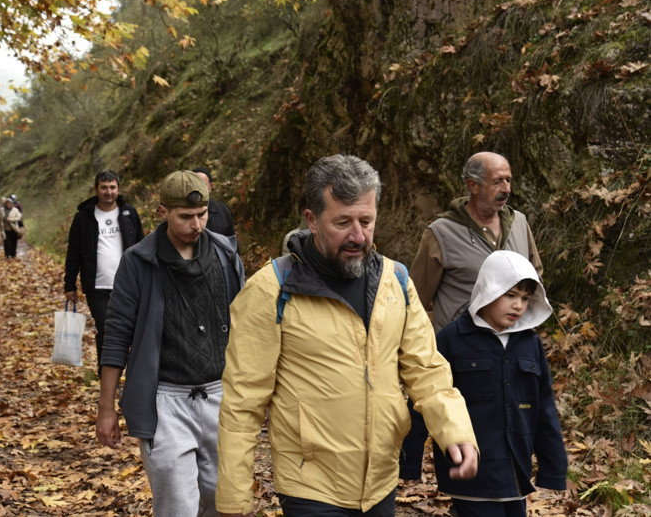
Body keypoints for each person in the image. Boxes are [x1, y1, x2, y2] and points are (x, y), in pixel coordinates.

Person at [215, 154, 478, 517]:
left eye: (366, 221)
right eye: (343, 222)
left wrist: (455, 429)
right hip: (311, 488)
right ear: (312, 219)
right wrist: (233, 497)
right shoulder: (271, 290)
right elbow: (243, 401)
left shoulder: (396, 281)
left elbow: (427, 370)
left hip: (382, 481)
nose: (358, 235)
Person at [96, 170, 245, 517]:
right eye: (186, 217)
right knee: (178, 507)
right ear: (163, 212)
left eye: (202, 214)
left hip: (222, 396)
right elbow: (117, 334)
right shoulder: (138, 262)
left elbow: (248, 326)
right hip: (165, 401)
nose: (196, 224)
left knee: (226, 505)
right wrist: (106, 407)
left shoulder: (226, 255)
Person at [400, 250, 567, 517]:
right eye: (510, 295)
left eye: (525, 298)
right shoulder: (452, 339)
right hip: (471, 470)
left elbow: (544, 408)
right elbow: (425, 397)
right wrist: (409, 462)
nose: (518, 306)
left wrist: (553, 469)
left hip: (516, 471)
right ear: (487, 291)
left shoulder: (530, 343)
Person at [410, 151, 543, 333]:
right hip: (461, 351)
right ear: (473, 185)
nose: (507, 189)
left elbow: (535, 281)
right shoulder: (441, 233)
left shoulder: (519, 222)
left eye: (508, 180)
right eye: (498, 181)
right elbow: (415, 301)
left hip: (512, 348)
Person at [63, 169, 145, 370]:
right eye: (104, 187)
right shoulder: (83, 217)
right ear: (96, 189)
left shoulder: (129, 213)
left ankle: (130, 373)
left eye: (112, 187)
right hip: (96, 286)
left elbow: (142, 247)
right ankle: (106, 375)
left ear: (118, 188)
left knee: (131, 330)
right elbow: (74, 252)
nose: (108, 192)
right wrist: (69, 283)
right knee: (106, 330)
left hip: (128, 285)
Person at [192, 167, 236, 238]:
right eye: (194, 185)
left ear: (211, 186)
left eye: (203, 185)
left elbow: (232, 242)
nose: (198, 189)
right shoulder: (181, 211)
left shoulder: (222, 210)